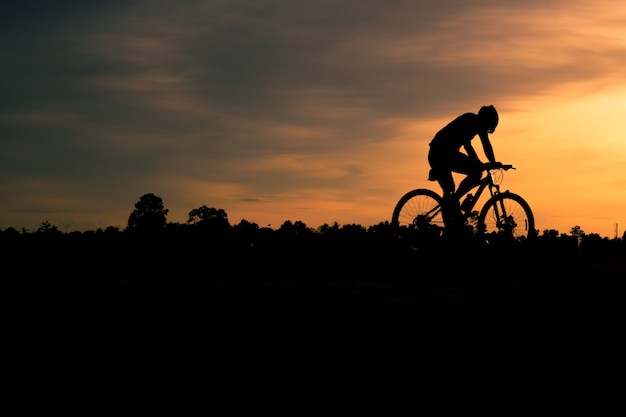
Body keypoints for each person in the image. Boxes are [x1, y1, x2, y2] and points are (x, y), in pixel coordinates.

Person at [427, 105, 501, 231]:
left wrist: (493, 162)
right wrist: (479, 163)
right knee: (472, 174)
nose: (486, 130)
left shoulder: (478, 125)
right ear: (485, 120)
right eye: (488, 127)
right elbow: (467, 145)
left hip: (446, 153)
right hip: (440, 153)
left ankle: (453, 207)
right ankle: (452, 208)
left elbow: (486, 145)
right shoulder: (470, 120)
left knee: (453, 188)